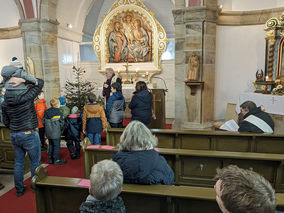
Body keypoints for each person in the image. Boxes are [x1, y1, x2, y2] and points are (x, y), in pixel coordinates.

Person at [2, 76, 44, 197]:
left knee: (19, 162)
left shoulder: (5, 103)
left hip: (14, 134)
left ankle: (19, 189)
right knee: (35, 162)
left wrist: (15, 128)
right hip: (28, 133)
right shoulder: (26, 97)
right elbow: (40, 82)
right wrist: (23, 79)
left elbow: (6, 121)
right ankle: (36, 187)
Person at [113, 120, 174, 185]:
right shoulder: (159, 161)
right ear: (147, 138)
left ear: (125, 139)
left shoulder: (117, 162)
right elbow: (170, 180)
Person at [43, 98, 66, 165]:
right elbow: (62, 123)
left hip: (48, 133)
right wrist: (61, 129)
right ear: (58, 105)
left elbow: (43, 121)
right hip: (56, 133)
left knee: (50, 145)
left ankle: (50, 159)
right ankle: (56, 160)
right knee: (56, 146)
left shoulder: (46, 112)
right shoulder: (59, 112)